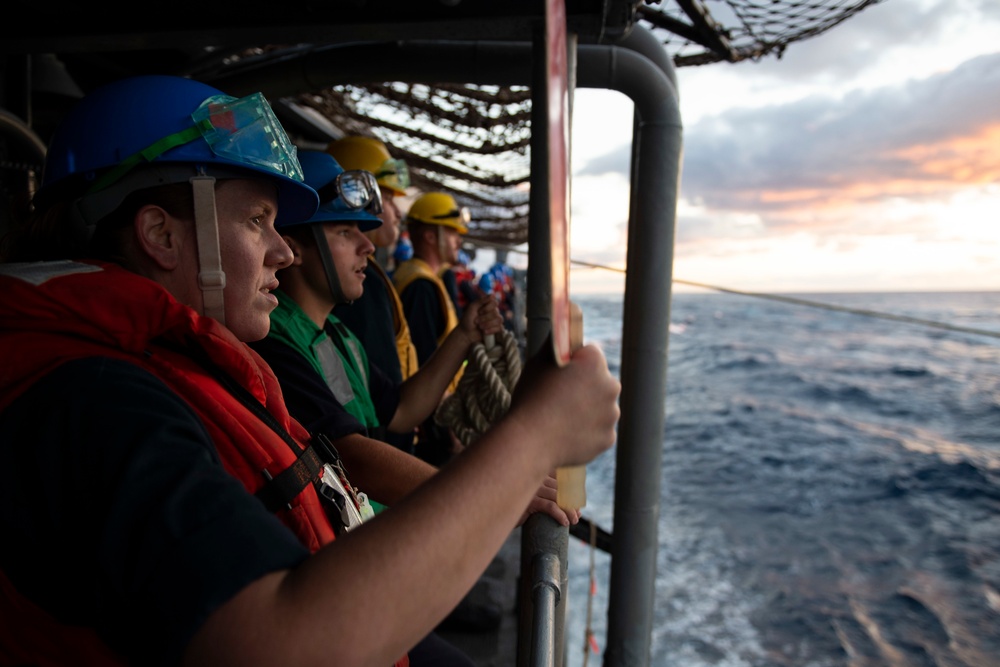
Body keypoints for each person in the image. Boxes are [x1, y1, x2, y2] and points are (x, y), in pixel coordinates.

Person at [0, 74, 621, 666]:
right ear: (160, 234)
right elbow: (279, 644)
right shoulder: (91, 400)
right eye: (255, 221)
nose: (283, 248)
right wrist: (533, 440)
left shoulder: (163, 364)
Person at [326, 135, 419, 453]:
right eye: (389, 197)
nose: (395, 211)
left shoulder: (372, 277)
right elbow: (388, 409)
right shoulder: (362, 286)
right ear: (357, 194)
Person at [392, 191, 473, 464]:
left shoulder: (424, 280)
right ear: (429, 236)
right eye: (451, 232)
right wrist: (449, 427)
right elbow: (426, 365)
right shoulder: (421, 287)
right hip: (430, 429)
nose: (458, 239)